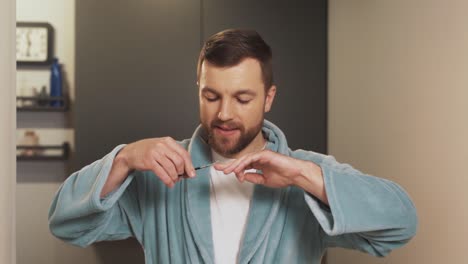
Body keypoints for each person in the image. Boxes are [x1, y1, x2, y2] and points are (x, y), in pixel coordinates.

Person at [48, 29, 418, 264]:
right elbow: (66, 224)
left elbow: (400, 224)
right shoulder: (157, 174)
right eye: (211, 96)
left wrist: (304, 175)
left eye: (242, 98)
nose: (224, 113)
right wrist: (124, 159)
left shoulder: (305, 175)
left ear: (268, 98)